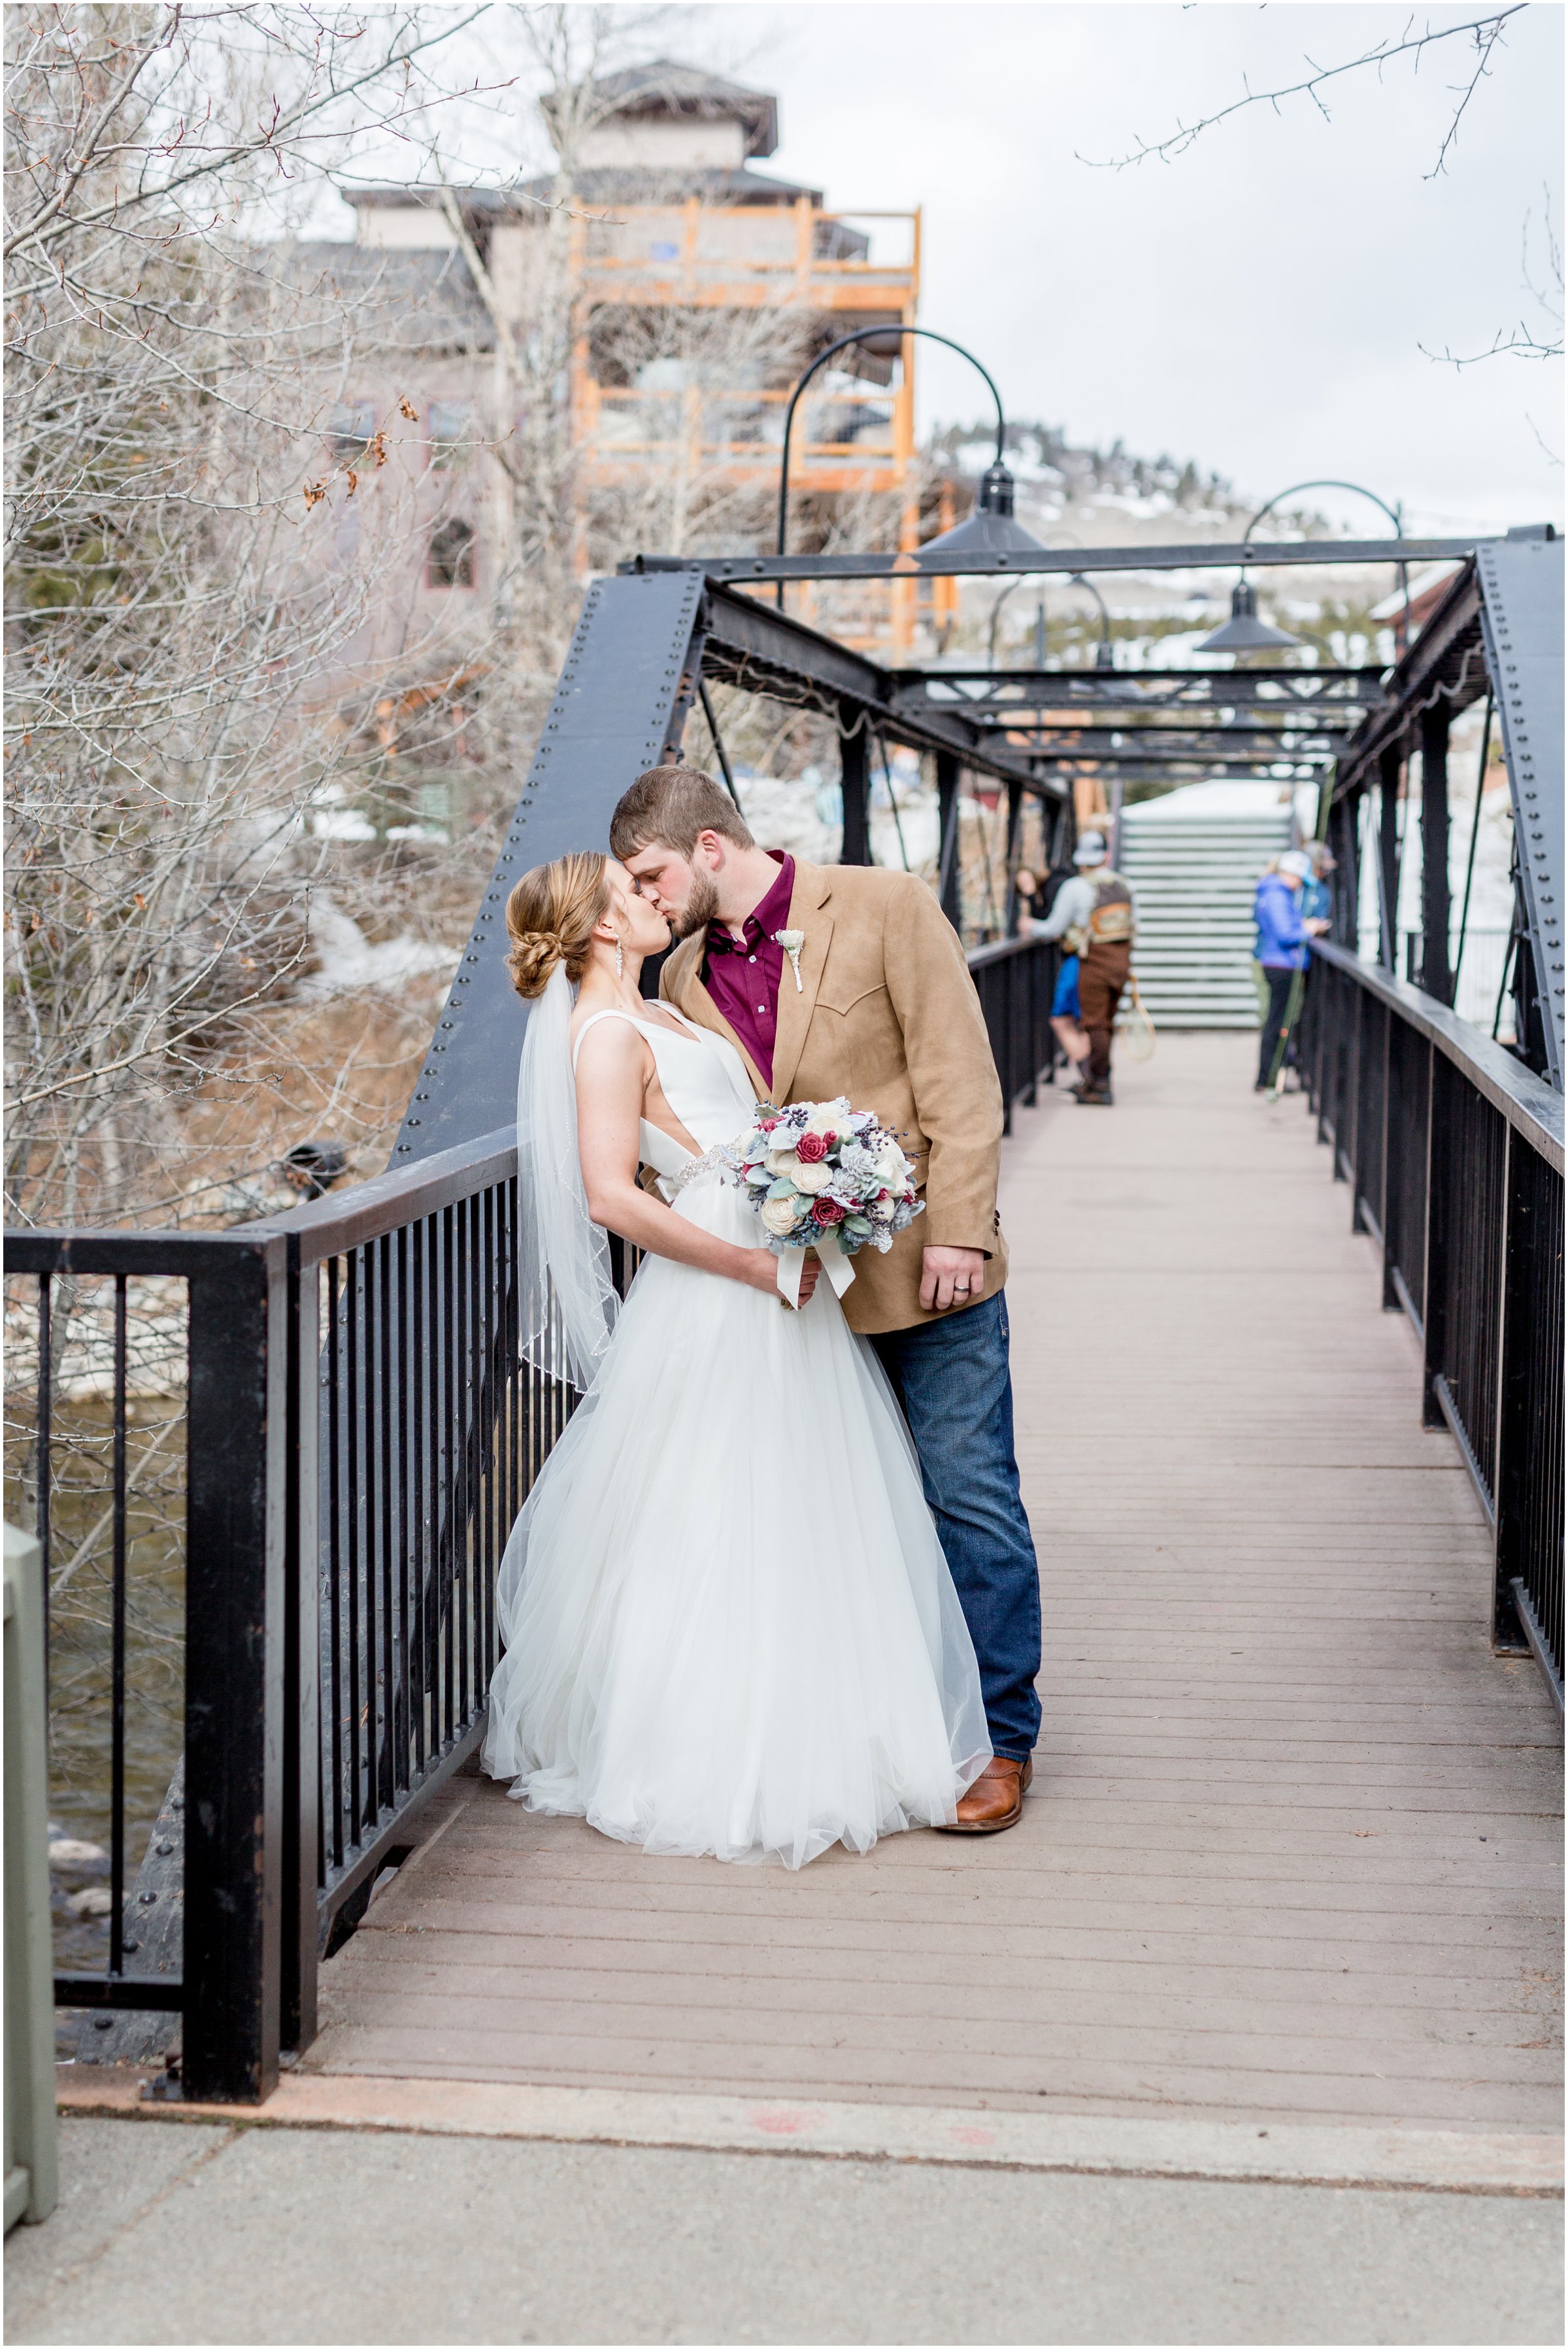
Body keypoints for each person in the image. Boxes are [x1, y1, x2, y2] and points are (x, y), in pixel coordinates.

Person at [482, 847, 990, 1867]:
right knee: (722, 1502)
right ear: (598, 928)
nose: (650, 897)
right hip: (727, 1285)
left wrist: (812, 1165)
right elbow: (610, 1197)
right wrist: (752, 1269)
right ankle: (719, 1750)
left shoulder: (666, 1007)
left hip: (772, 1259)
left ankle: (826, 1722)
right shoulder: (606, 1035)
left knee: (799, 1499)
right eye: (630, 892)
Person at [613, 765, 1043, 1835]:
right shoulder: (679, 982)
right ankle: (892, 1723)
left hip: (920, 1264)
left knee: (965, 1492)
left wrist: (960, 1228)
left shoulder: (885, 903)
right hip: (787, 1303)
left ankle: (999, 1738)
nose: (649, 898)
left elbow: (959, 1078)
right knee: (848, 1521)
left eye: (653, 874)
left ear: (709, 845)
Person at [1033, 830, 1135, 1104]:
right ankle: (1096, 1080)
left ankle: (1099, 1084)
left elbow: (1053, 928)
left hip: (1092, 962)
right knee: (1105, 1023)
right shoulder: (1125, 885)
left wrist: (1028, 926)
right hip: (1120, 963)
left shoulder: (1076, 887)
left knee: (1094, 1023)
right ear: (1106, 855)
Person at [1254, 849, 1329, 1093]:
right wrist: (1309, 929)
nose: (1300, 885)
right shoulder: (1277, 895)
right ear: (1291, 874)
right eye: (1299, 879)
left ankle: (1269, 1077)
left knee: (1277, 1021)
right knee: (1278, 1023)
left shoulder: (1273, 892)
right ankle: (1268, 1078)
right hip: (1282, 965)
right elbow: (1285, 934)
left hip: (1279, 963)